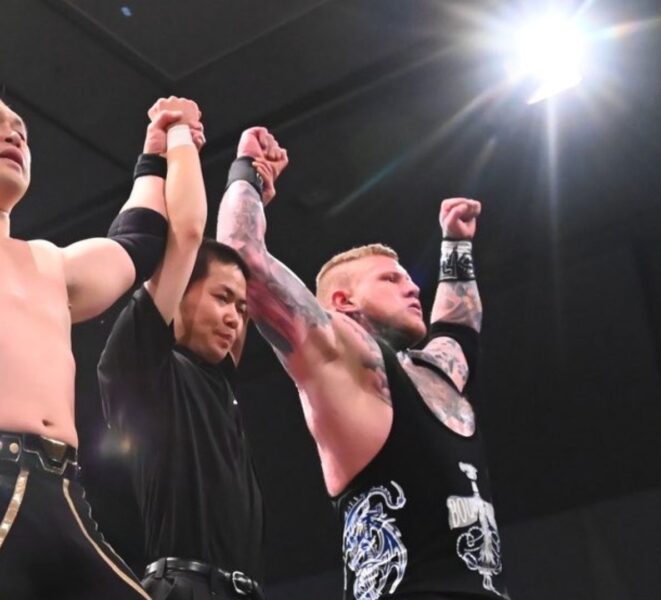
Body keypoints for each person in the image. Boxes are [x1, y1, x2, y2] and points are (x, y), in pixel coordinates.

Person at [217, 127, 511, 599]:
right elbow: (243, 259)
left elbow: (459, 330)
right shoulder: (342, 356)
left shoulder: (435, 373)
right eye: (390, 279)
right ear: (343, 302)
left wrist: (455, 245)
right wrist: (247, 174)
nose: (413, 287)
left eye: (408, 279)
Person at [0, 95, 202, 598]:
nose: (14, 134)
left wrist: (154, 155)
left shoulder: (50, 263)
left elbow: (138, 242)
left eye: (21, 127)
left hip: (63, 494)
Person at [97, 126, 288, 600]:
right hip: (182, 588)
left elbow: (243, 255)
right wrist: (173, 143)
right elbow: (183, 237)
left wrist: (248, 180)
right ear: (180, 291)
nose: (235, 317)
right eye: (222, 298)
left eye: (241, 308)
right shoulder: (149, 372)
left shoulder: (221, 382)